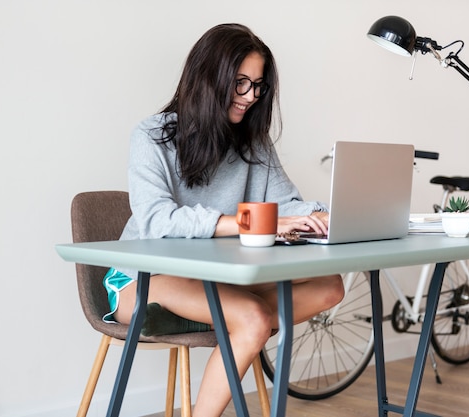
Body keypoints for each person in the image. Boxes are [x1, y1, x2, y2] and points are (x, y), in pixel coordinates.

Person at [104, 23, 344, 417]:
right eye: (240, 83)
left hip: (214, 277)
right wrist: (254, 223)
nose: (251, 96)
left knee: (329, 286)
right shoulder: (151, 137)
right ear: (209, 78)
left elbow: (286, 205)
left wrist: (322, 215)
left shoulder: (254, 145)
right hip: (140, 280)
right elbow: (157, 220)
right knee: (253, 319)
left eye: (258, 85)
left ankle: (241, 323)